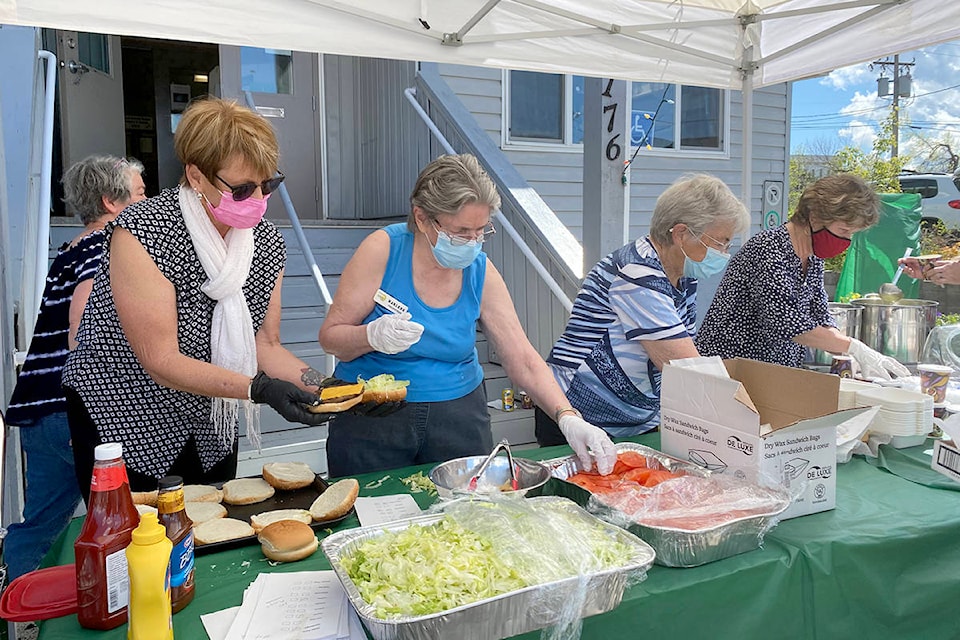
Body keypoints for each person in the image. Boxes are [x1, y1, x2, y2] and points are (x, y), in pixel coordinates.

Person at [62, 98, 369, 499]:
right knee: (135, 544)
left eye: (268, 184)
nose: (258, 198)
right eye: (241, 189)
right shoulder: (142, 230)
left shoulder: (266, 242)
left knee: (213, 524)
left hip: (211, 416)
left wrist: (330, 388)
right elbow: (161, 360)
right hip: (124, 412)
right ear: (196, 176)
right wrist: (258, 390)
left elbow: (266, 345)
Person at [318, 154, 617, 477]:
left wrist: (567, 416)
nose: (472, 242)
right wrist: (370, 336)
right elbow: (332, 338)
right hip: (374, 414)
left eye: (481, 231)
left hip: (457, 415)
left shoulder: (479, 270)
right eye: (461, 232)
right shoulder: (383, 250)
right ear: (421, 218)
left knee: (468, 513)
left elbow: (522, 356)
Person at [4, 155, 146, 580]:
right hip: (73, 410)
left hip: (39, 407)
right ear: (111, 201)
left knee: (41, 523)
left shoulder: (73, 246)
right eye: (141, 193)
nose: (150, 201)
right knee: (123, 520)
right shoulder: (107, 247)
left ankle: (17, 608)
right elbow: (82, 330)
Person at [535, 174, 750, 445]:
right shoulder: (636, 274)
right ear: (681, 234)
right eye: (719, 242)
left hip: (636, 420)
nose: (724, 252)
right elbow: (685, 367)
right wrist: (747, 423)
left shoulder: (682, 274)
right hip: (581, 419)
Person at [696, 173, 910, 380]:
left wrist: (847, 350)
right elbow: (785, 321)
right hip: (727, 369)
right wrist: (852, 346)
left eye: (852, 233)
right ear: (815, 217)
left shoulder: (813, 257)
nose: (847, 240)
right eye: (844, 230)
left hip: (771, 374)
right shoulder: (768, 249)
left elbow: (819, 313)